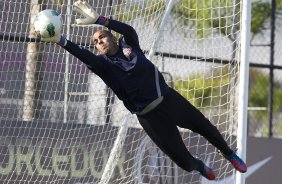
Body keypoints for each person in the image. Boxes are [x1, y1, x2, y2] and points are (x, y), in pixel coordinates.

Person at [41, 1, 247, 180]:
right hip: (149, 118)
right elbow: (83, 54)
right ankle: (201, 167)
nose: (99, 42)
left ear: (111, 37)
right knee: (184, 162)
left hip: (167, 99)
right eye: (95, 42)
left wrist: (101, 20)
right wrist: (61, 41)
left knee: (205, 127)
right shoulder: (103, 65)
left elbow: (129, 29)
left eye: (102, 37)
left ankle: (230, 154)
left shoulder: (129, 44)